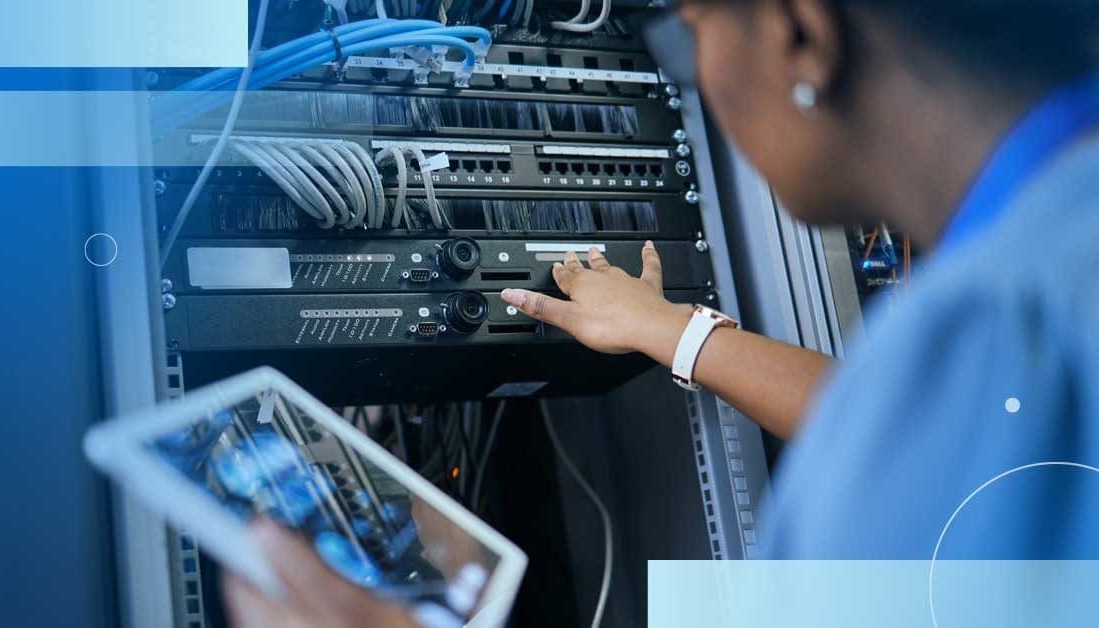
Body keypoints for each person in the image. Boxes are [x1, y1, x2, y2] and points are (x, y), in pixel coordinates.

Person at [224, 0, 1099, 623]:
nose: (700, 78)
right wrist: (668, 329)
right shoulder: (1045, 270)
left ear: (801, 32)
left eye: (693, 34)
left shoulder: (995, 335)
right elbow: (918, 430)